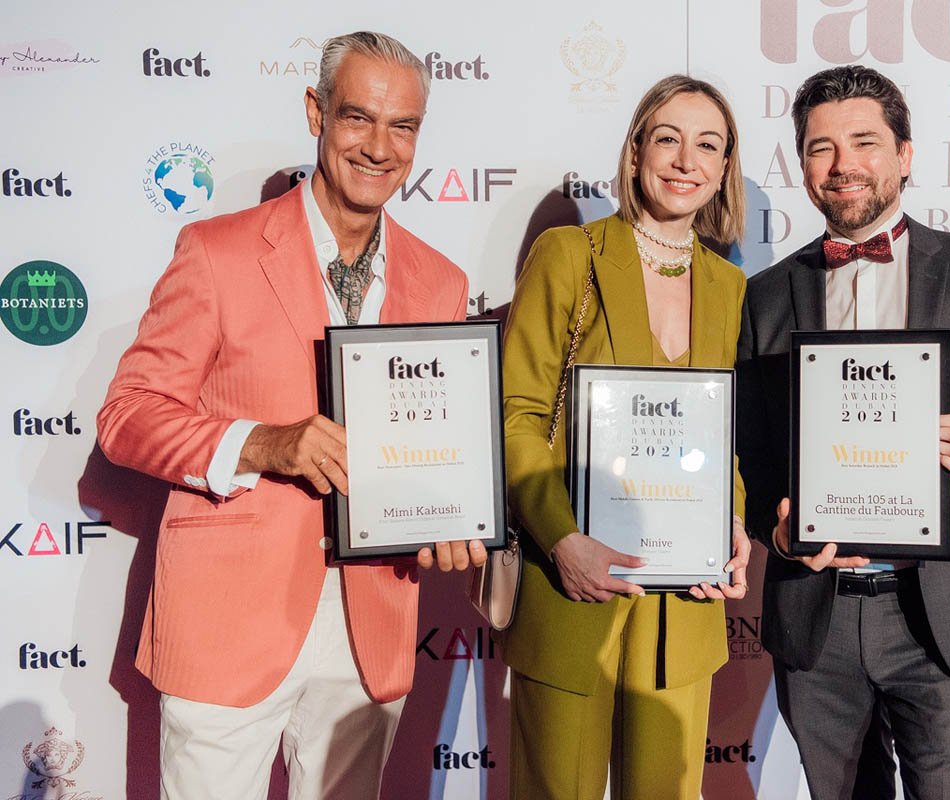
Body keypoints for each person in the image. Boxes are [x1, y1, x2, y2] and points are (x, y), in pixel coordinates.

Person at [96, 31, 485, 800]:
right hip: (226, 622)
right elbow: (128, 416)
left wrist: (451, 514)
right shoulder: (216, 252)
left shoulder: (441, 281)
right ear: (316, 112)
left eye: (402, 126)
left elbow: (434, 448)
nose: (379, 147)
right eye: (358, 117)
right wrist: (261, 444)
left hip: (371, 623)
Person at [735, 65, 950, 800]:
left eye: (864, 141)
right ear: (802, 165)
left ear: (905, 153)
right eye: (821, 148)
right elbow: (754, 457)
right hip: (818, 616)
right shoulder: (763, 298)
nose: (843, 164)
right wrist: (777, 529)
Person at [498, 75, 752, 799]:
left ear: (724, 168)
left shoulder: (731, 288)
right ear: (636, 150)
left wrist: (731, 523)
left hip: (687, 605)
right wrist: (561, 539)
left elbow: (728, 441)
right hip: (571, 585)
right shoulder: (567, 254)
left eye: (708, 145)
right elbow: (518, 414)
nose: (685, 160)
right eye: (667, 138)